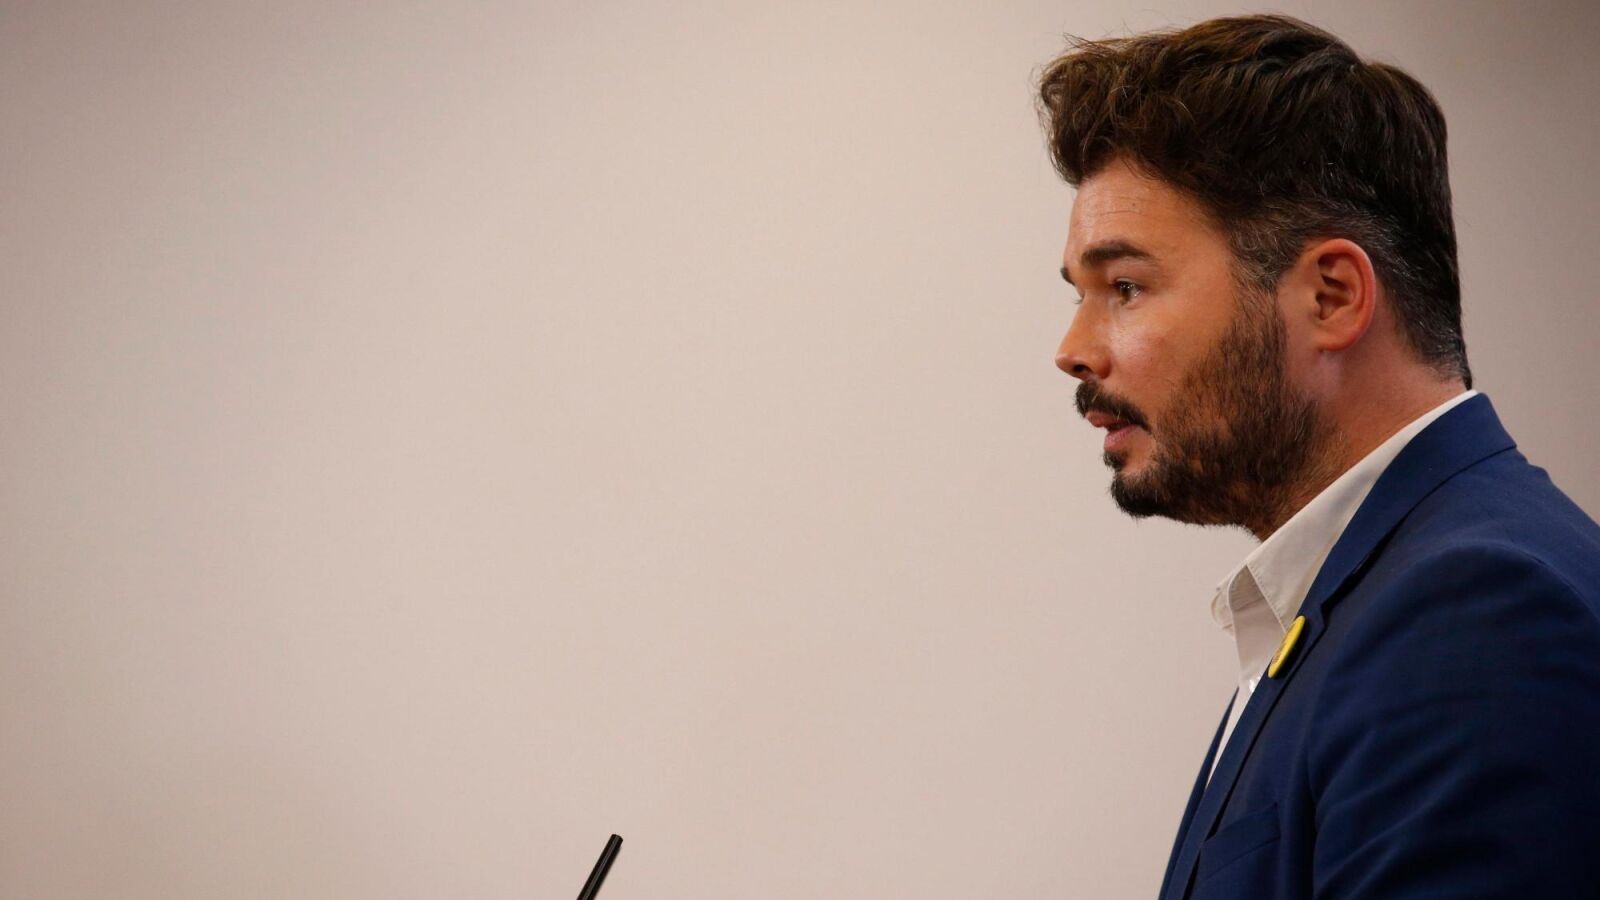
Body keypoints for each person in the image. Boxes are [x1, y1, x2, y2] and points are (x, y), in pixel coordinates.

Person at [1037, 14, 1600, 899]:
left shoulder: (1474, 615)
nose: (1073, 350)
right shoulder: (1368, 595)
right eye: (1080, 293)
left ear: (1332, 297)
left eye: (1126, 287)